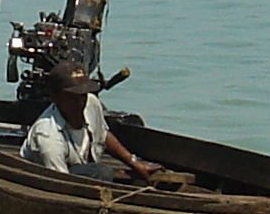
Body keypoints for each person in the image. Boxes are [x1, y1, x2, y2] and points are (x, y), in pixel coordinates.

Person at [19, 61, 163, 181]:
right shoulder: (48, 137)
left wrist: (133, 162)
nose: (80, 102)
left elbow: (103, 134)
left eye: (83, 95)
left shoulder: (91, 103)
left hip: (76, 166)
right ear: (54, 97)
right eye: (72, 97)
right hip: (45, 176)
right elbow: (60, 184)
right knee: (102, 172)